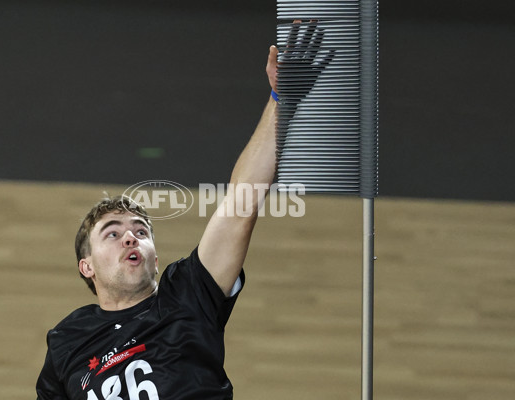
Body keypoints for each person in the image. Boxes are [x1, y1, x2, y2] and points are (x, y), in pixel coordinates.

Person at [36, 21, 330, 400]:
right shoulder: (66, 341)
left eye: (141, 232)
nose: (131, 236)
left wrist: (281, 100)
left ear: (155, 259)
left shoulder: (187, 294)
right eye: (112, 232)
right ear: (86, 266)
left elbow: (241, 204)